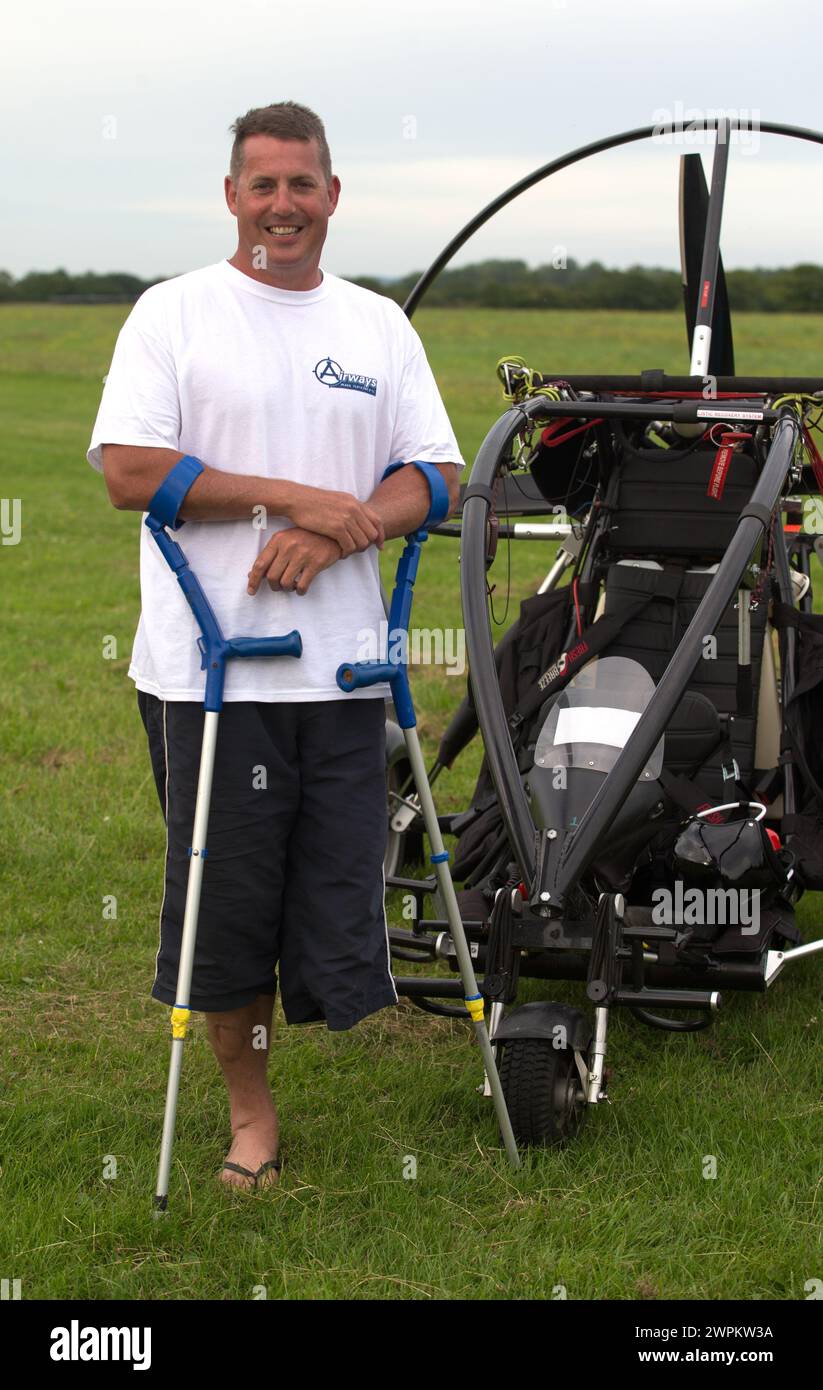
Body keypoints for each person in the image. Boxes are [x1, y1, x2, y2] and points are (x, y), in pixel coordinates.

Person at [87, 101, 463, 1191]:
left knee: (340, 893)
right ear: (232, 197)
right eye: (264, 185)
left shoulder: (378, 327)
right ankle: (252, 1118)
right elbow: (127, 471)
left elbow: (431, 476)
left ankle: (338, 1013)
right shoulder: (174, 315)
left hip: (346, 673)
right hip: (210, 676)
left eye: (303, 185)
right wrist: (298, 498)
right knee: (227, 909)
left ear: (332, 196)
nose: (283, 206)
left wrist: (342, 522)